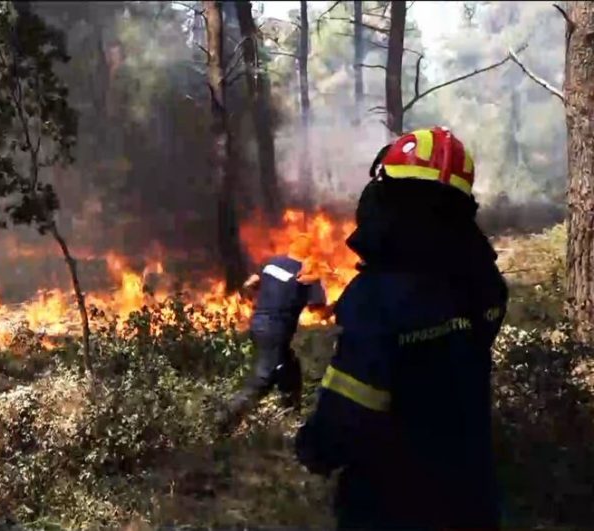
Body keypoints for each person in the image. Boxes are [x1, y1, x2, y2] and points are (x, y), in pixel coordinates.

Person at [295, 127, 508, 529]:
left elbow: (350, 409)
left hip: (392, 505)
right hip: (472, 497)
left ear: (389, 198)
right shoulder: (485, 282)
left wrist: (314, 447)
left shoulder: (377, 296)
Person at [217, 235, 331, 432]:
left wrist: (262, 299)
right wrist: (336, 300)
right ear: (310, 254)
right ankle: (225, 419)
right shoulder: (308, 274)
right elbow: (318, 311)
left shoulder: (272, 263)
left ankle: (292, 416)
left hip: (258, 323)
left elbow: (249, 284)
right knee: (264, 377)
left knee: (290, 366)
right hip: (276, 330)